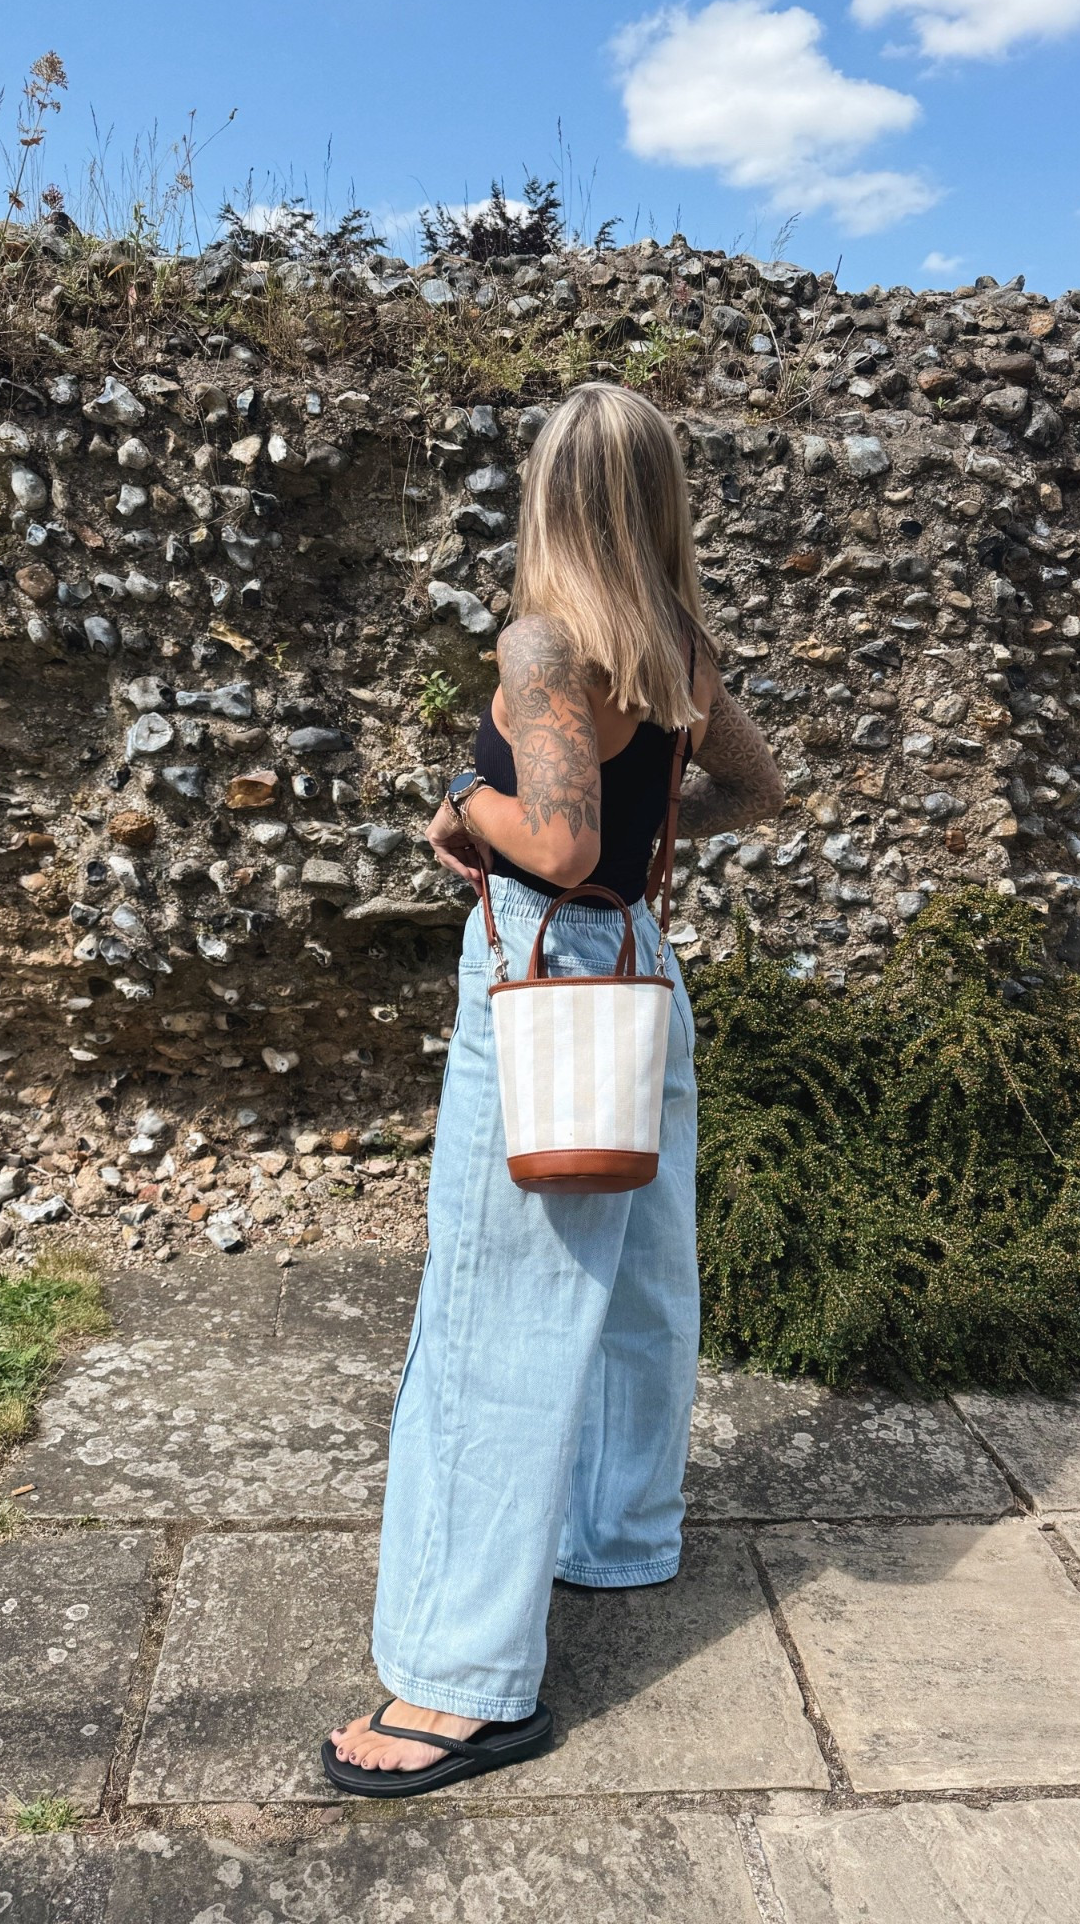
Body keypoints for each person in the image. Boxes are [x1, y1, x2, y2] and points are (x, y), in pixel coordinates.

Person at [323, 380, 785, 1796]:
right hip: (641, 972)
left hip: (541, 975)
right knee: (642, 1273)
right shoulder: (678, 653)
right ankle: (620, 1534)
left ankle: (463, 1682)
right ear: (657, 500)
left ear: (549, 494)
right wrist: (659, 843)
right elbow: (756, 793)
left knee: (492, 1312)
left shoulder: (543, 642)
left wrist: (462, 809)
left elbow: (562, 842)